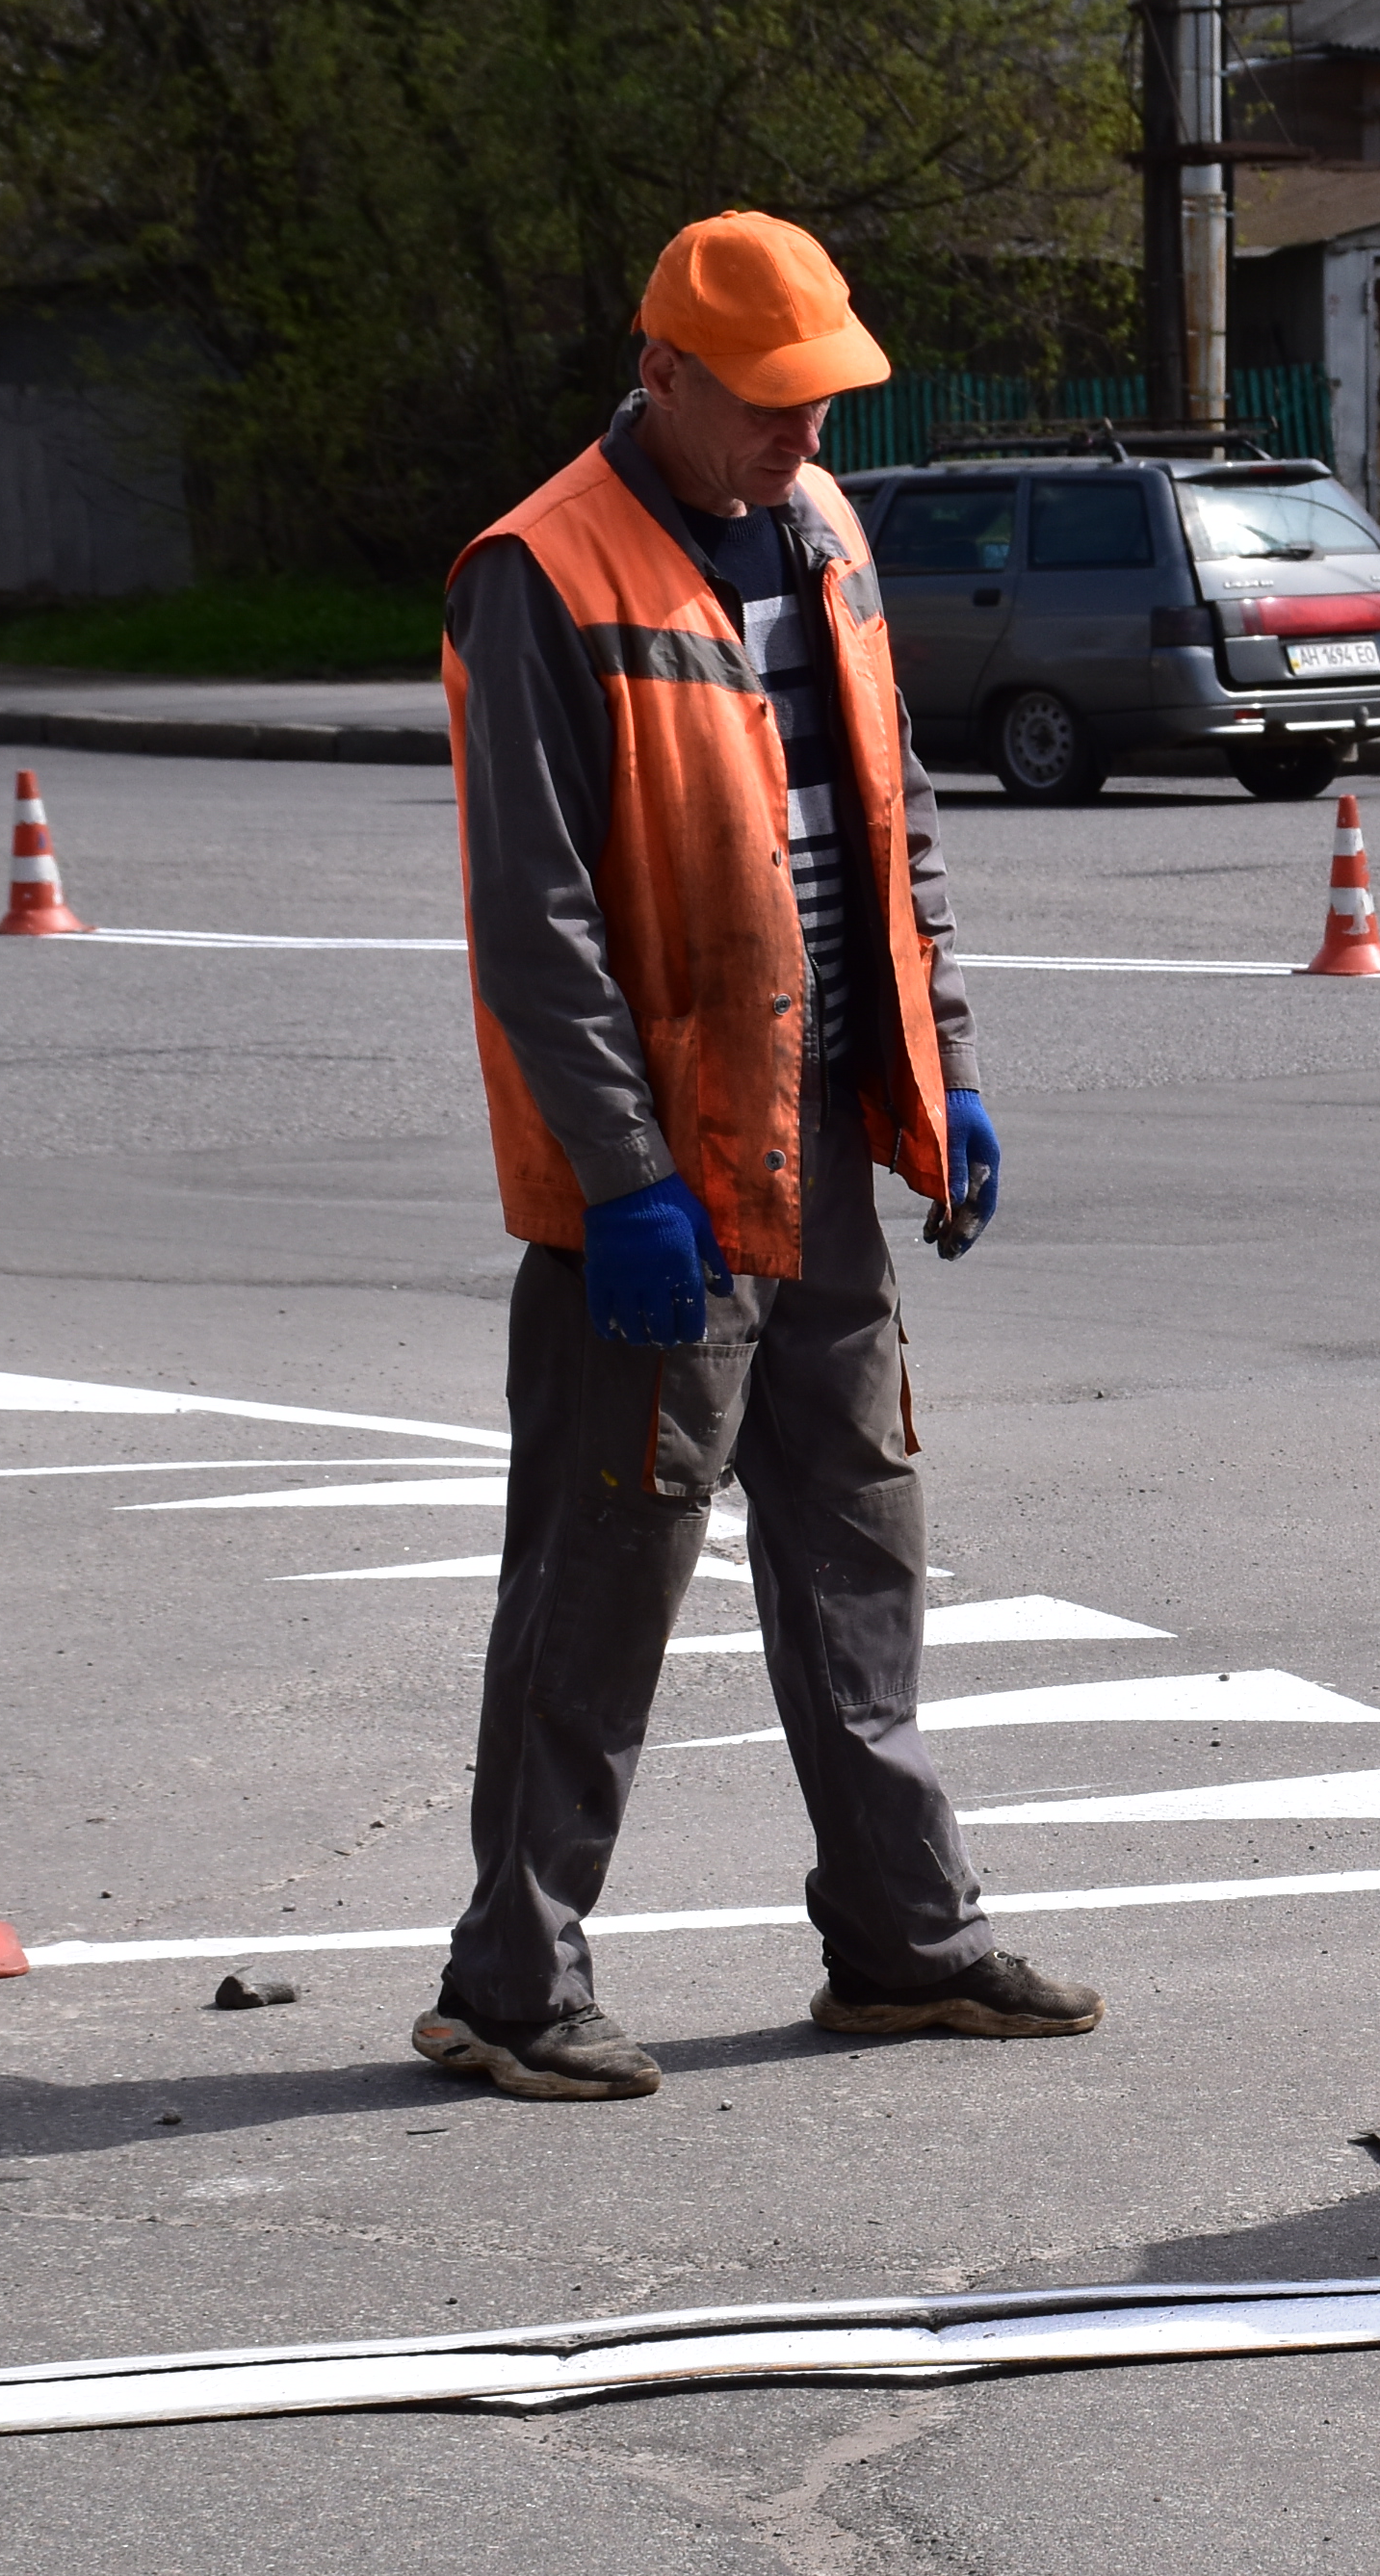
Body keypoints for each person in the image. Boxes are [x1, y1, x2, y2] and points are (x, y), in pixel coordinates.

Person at [421, 210, 1101, 2099]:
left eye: (826, 401)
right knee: (602, 1578)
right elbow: (533, 915)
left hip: (821, 1147)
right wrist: (620, 1175)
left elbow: (896, 819)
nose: (807, 436)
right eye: (773, 405)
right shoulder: (540, 572)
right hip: (656, 1178)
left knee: (860, 1546)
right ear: (666, 376)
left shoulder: (823, 536)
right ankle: (509, 1980)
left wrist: (940, 1064)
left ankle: (904, 1939)